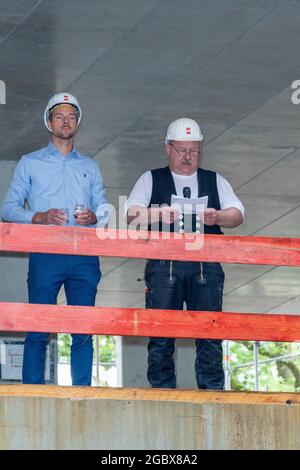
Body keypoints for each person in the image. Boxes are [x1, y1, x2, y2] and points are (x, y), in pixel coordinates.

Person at [126, 117, 245, 390]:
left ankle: (212, 392)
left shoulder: (214, 180)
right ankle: (162, 392)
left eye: (194, 150)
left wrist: (218, 217)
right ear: (168, 148)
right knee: (161, 333)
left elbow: (237, 214)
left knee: (209, 331)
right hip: (164, 266)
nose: (188, 157)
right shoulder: (151, 178)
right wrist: (159, 213)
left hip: (206, 266)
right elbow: (131, 212)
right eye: (182, 150)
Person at [1, 92, 109, 386]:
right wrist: (38, 216)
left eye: (71, 116)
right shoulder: (29, 162)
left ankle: (83, 392)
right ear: (49, 122)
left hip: (84, 254)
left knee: (83, 328)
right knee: (38, 326)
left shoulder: (90, 166)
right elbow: (8, 210)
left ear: (77, 123)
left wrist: (95, 217)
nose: (65, 121)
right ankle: (31, 392)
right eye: (59, 116)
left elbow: (105, 209)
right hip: (45, 252)